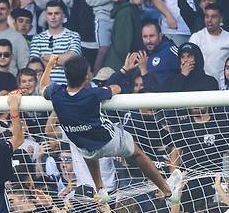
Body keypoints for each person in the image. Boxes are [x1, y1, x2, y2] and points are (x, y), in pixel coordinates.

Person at [41, 53, 173, 202]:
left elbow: (43, 86)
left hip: (84, 146)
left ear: (66, 75)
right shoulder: (93, 94)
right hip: (108, 141)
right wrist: (114, 86)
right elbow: (115, 88)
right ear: (87, 77)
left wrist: (50, 64)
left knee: (86, 147)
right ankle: (167, 190)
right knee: (137, 154)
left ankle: (100, 188)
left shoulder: (56, 93)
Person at [84, 0, 135, 73]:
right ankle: (94, 80)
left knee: (122, 51)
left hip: (122, 17)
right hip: (103, 16)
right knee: (103, 50)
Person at [188, 4, 229, 86]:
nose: (209, 20)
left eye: (213, 17)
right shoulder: (196, 37)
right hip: (200, 85)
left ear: (221, 19)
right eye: (207, 16)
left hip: (223, 86)